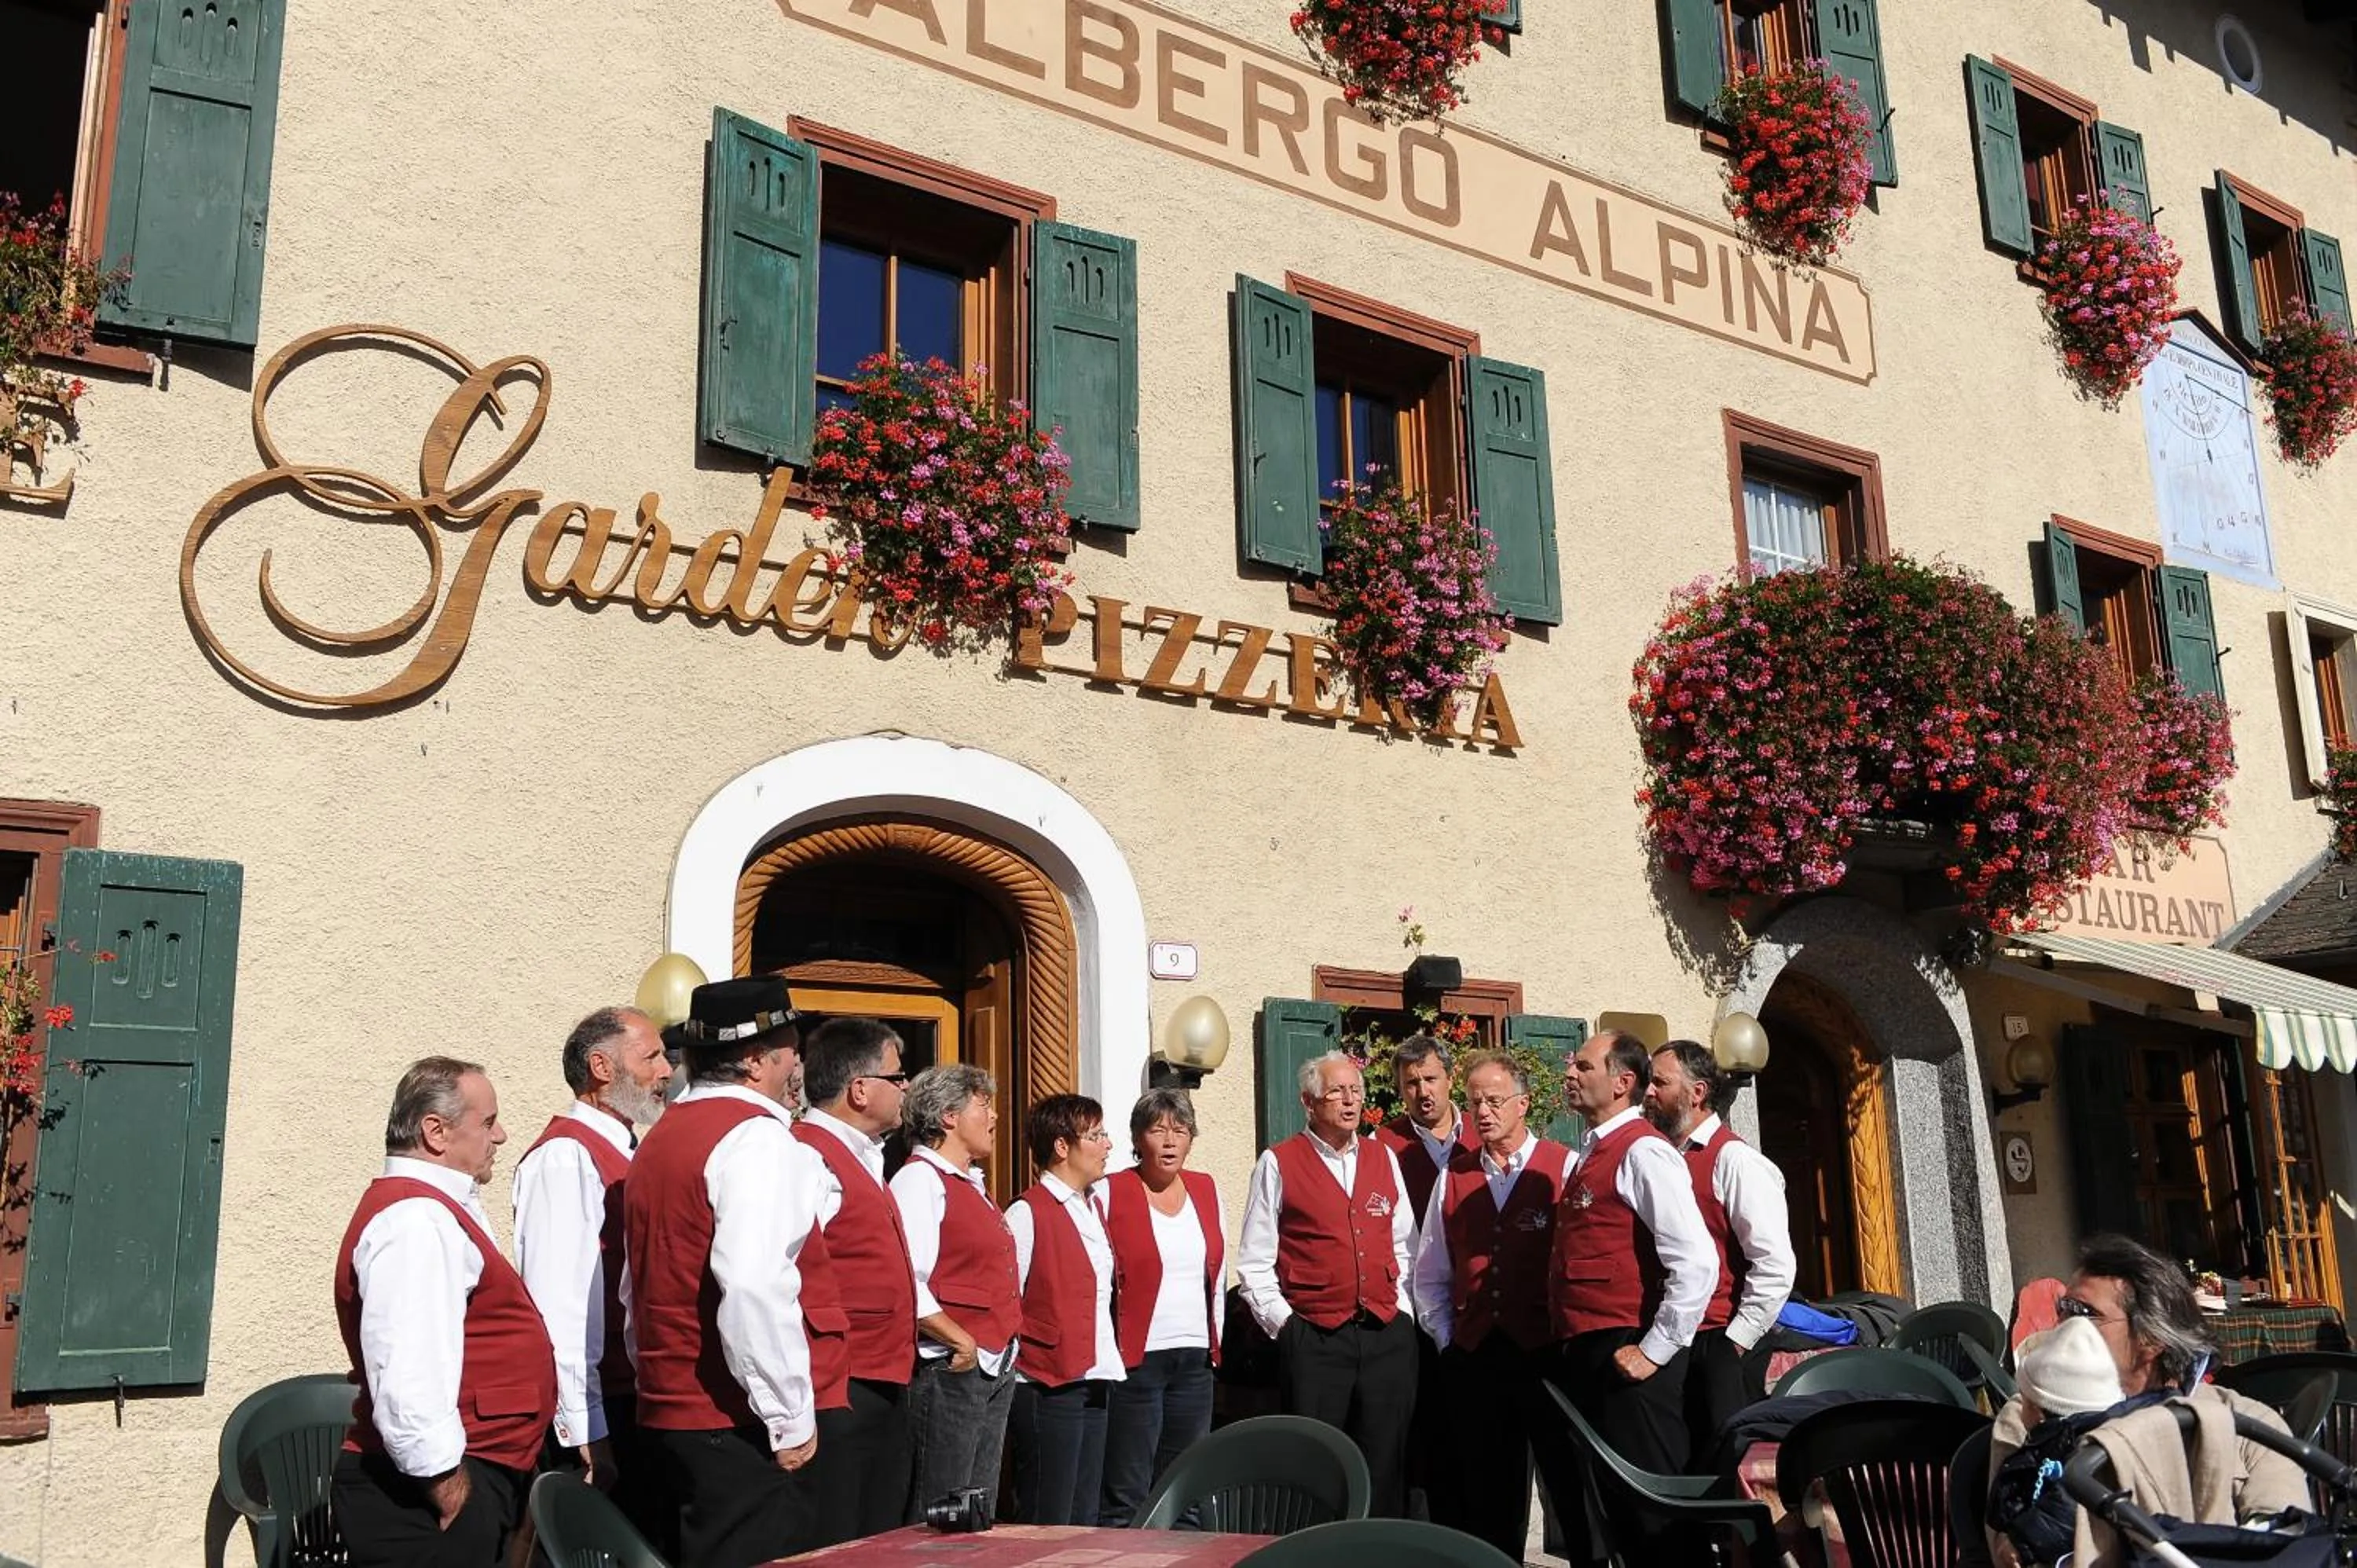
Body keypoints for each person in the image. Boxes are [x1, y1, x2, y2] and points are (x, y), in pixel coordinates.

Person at [624, 978, 839, 1568]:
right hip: (734, 1416)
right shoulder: (757, 1139)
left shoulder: (660, 1138)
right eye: (791, 1045)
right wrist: (789, 1417)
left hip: (673, 1409)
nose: (799, 1059)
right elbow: (754, 1285)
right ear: (753, 1059)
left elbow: (636, 1283)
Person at [331, 1057, 556, 1567]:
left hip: (467, 1475)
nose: (500, 1135)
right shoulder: (416, 1220)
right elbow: (406, 1374)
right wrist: (450, 1488)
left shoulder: (434, 1209)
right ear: (436, 1131)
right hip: (428, 1492)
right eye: (487, 1121)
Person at [1985, 1234, 2307, 1568]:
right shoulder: (2029, 1418)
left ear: (2151, 1338)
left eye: (2084, 1313)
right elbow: (2010, 1555)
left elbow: (2283, 1544)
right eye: (2063, 1309)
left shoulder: (2247, 1425)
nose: (2064, 1327)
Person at [511, 1006, 672, 1544]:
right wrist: (584, 1427)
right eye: (651, 1056)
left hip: (629, 1399)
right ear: (602, 1067)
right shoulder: (565, 1157)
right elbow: (559, 1304)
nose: (666, 1070)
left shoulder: (622, 1149)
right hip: (604, 1410)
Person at [1237, 1050, 1419, 1516]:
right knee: (1316, 1468)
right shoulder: (1278, 1163)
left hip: (1385, 1335)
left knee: (1386, 1466)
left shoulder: (1382, 1157)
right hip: (1316, 1337)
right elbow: (1255, 1261)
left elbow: (1405, 1245)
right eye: (1337, 1091)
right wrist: (1289, 1328)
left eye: (1356, 1090)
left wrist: (1403, 1314)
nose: (1349, 1100)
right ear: (1309, 1101)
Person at [1409, 1050, 1570, 1559]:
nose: (1483, 1111)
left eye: (1495, 1100)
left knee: (1566, 1482)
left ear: (1523, 1103)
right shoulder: (1453, 1177)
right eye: (1475, 1101)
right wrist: (1449, 1339)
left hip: (1546, 1353)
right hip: (1477, 1354)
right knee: (1487, 1491)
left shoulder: (1563, 1167)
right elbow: (1430, 1272)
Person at [1541, 1030, 1716, 1482]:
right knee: (1611, 1507)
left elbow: (1696, 1261)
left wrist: (1655, 1350)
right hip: (1593, 1348)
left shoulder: (1643, 1150)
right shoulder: (1593, 1150)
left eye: (1583, 1066)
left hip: (1628, 1348)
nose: (1569, 1073)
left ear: (1622, 1082)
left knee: (1650, 1509)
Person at [794, 1016, 919, 1546]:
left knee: (880, 1537)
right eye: (898, 1075)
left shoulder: (866, 1155)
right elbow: (788, 1269)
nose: (907, 1086)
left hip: (880, 1381)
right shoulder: (808, 1156)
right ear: (860, 1089)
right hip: (841, 1386)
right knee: (839, 1539)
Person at [1642, 1039, 1795, 1465]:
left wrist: (1737, 1341)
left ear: (1698, 1092)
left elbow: (1774, 1263)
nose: (1648, 1092)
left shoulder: (1736, 1161)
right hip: (1674, 1336)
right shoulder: (1660, 1158)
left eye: (1659, 1082)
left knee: (1726, 1465)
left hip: (1719, 1340)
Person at [890, 1063, 1021, 1522]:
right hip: (949, 1368)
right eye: (983, 1104)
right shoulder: (920, 1180)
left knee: (973, 1512)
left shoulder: (970, 1185)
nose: (994, 1116)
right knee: (938, 1511)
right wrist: (959, 1339)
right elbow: (908, 1281)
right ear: (948, 1116)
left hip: (988, 1366)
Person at [1097, 1088, 1226, 1529]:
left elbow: (1217, 1275)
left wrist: (1215, 1341)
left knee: (1187, 1489)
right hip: (1136, 1361)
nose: (1170, 1142)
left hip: (1194, 1361)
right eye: (1157, 1131)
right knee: (1129, 1492)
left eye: (1180, 1131)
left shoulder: (1206, 1190)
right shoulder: (1111, 1191)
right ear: (1138, 1139)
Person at [1004, 1094, 1125, 1525]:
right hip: (1045, 1382)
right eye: (1096, 1136)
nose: (1108, 1145)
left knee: (1083, 1514)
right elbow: (1006, 1300)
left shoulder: (1092, 1207)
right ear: (1062, 1146)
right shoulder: (1027, 1211)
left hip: (1094, 1374)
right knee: (1049, 1513)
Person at [1374, 1034, 1468, 1229]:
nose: (1423, 1092)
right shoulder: (1381, 1145)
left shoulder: (1482, 1134)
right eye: (1412, 1083)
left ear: (1450, 1079)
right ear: (1400, 1089)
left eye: (1430, 1079)